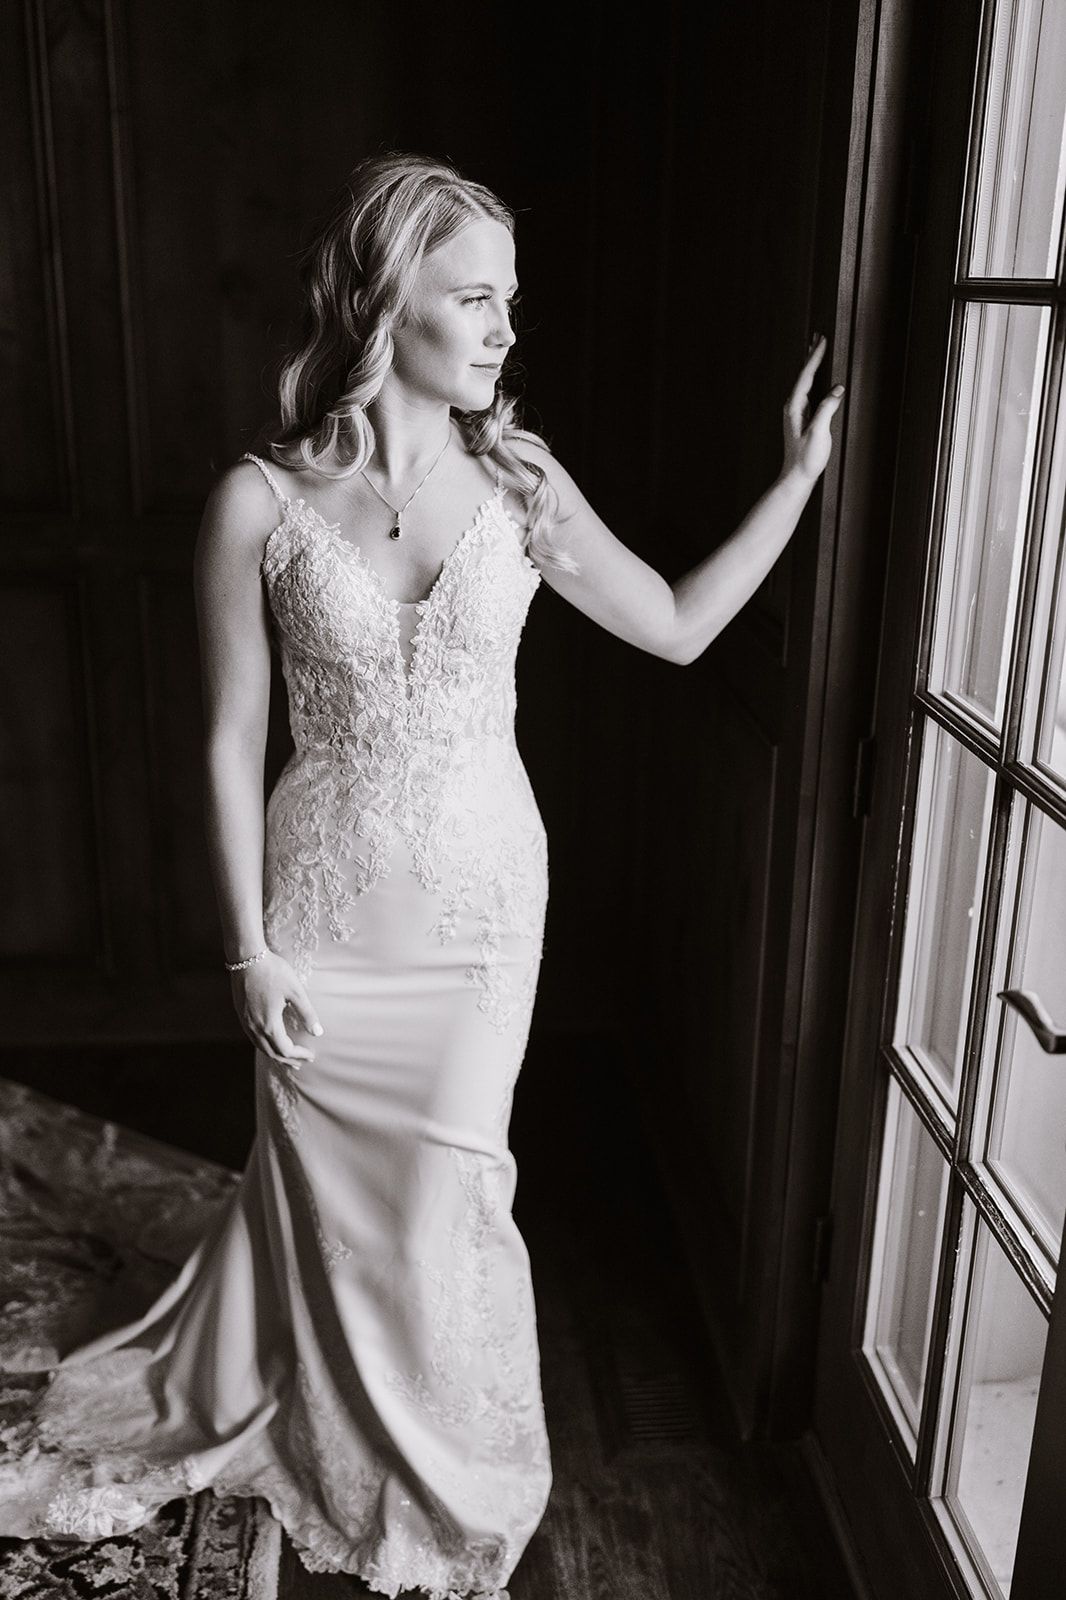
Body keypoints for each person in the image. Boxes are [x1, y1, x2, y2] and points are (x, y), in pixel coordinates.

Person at [0, 152, 843, 1598]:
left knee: (447, 1198)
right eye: (476, 296)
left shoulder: (520, 481)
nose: (508, 327)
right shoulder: (255, 505)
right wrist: (248, 954)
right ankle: (316, 1416)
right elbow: (223, 743)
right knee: (324, 1193)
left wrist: (800, 479)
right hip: (318, 906)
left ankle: (440, 1476)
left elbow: (681, 629)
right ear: (390, 304)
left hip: (473, 912)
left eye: (511, 298)